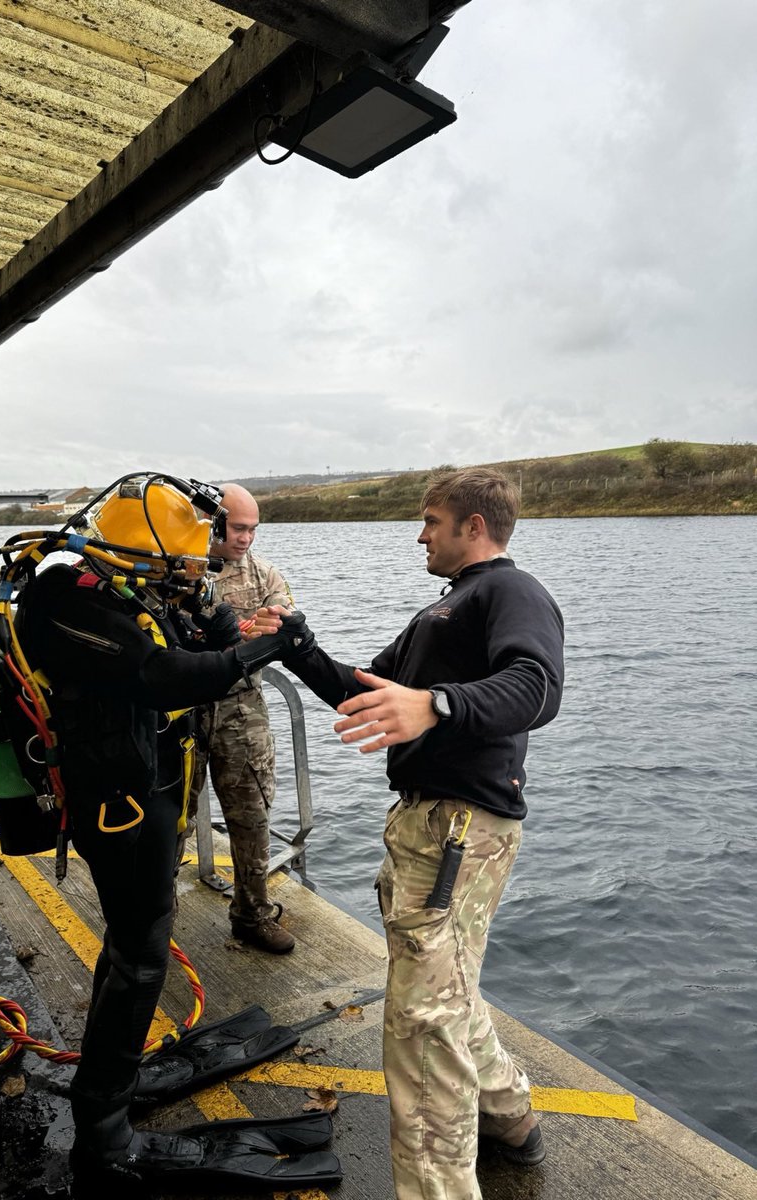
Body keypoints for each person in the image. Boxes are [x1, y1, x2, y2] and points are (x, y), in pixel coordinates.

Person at [0, 473, 332, 1193]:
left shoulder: (130, 590)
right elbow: (169, 675)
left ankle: (114, 1081)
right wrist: (264, 652)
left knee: (135, 938)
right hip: (113, 803)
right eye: (185, 561)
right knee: (141, 954)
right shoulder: (66, 595)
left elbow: (203, 636)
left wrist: (221, 621)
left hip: (144, 787)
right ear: (147, 551)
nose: (195, 571)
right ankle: (103, 1136)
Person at [269, 467, 565, 1200]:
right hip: (431, 827)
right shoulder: (445, 610)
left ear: (474, 526)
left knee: (421, 1023)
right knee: (446, 991)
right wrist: (296, 645)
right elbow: (367, 693)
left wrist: (436, 704)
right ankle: (510, 1117)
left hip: (460, 828)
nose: (420, 533)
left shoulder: (509, 590)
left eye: (431, 520)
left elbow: (537, 686)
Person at [190, 482, 296, 953]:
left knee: (252, 814)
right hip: (181, 707)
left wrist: (259, 637)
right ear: (213, 522)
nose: (246, 538)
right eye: (238, 528)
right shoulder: (179, 569)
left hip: (241, 709)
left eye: (253, 529)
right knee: (170, 813)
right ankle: (154, 915)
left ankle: (253, 914)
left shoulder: (264, 574)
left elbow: (285, 630)